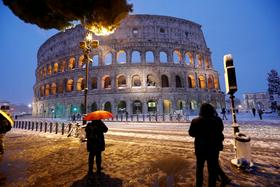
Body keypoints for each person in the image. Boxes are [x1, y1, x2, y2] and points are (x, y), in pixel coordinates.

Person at [189, 103, 230, 187]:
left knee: (199, 169)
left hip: (201, 149)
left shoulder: (196, 121)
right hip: (214, 149)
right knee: (212, 170)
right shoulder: (218, 120)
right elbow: (221, 129)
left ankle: (198, 185)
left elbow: (191, 133)